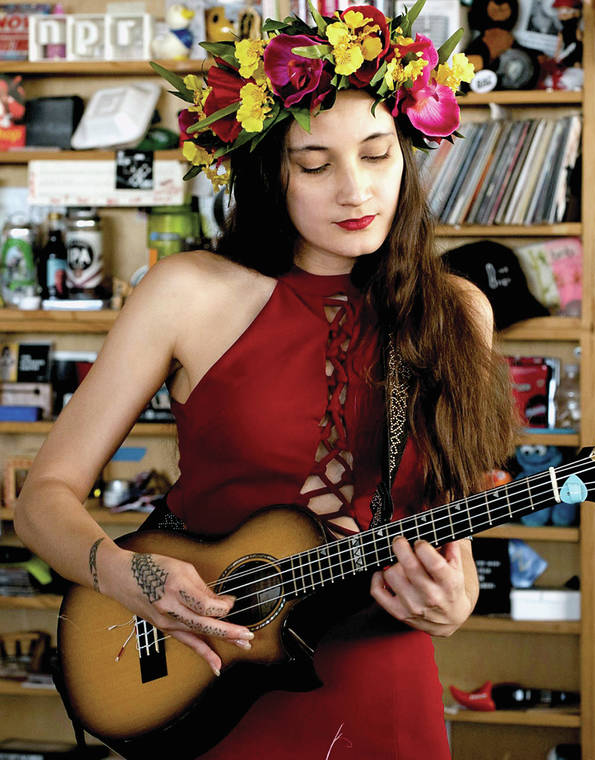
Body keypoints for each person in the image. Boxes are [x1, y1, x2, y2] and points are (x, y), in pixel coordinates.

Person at [14, 3, 517, 758]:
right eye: (314, 165)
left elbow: (450, 521)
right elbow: (43, 498)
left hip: (385, 685)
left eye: (376, 155)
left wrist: (456, 598)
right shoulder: (187, 293)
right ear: (266, 172)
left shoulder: (459, 312)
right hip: (206, 671)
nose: (355, 191)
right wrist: (124, 573)